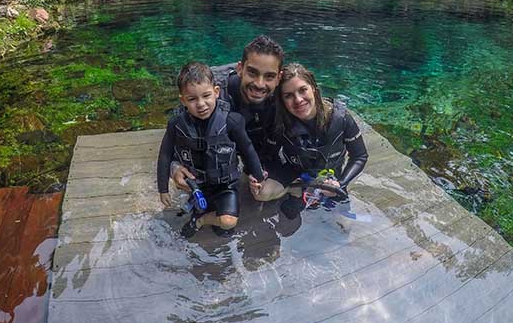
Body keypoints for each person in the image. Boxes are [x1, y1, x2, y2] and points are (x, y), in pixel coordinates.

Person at [157, 62, 266, 237]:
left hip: (226, 184)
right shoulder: (176, 124)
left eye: (206, 95)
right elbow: (164, 155)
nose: (201, 104)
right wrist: (163, 189)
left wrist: (258, 175)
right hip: (196, 184)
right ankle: (200, 214)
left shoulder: (232, 121)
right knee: (209, 215)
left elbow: (247, 149)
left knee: (227, 222)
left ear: (216, 92)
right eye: (192, 99)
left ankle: (200, 221)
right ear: (183, 100)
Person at [250, 63, 368, 218]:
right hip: (296, 172)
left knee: (345, 227)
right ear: (282, 100)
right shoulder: (279, 123)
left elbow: (360, 156)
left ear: (313, 88)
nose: (298, 100)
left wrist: (341, 183)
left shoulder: (341, 118)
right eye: (288, 95)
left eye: (302, 90)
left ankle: (318, 192)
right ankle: (296, 190)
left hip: (330, 178)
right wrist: (260, 175)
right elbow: (268, 155)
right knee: (261, 193)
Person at [170, 36, 284, 191]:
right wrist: (175, 167)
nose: (259, 83)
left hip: (257, 139)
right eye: (252, 73)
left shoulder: (286, 94)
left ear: (279, 78)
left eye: (269, 76)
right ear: (239, 68)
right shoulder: (208, 91)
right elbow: (176, 129)